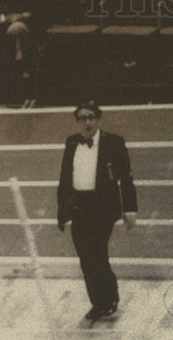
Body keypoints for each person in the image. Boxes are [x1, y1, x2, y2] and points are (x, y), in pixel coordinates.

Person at [57, 101, 138, 323]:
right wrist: (62, 212)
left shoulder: (114, 142)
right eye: (82, 118)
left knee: (97, 254)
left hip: (102, 207)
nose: (87, 122)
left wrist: (130, 209)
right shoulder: (72, 142)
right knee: (85, 258)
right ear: (77, 122)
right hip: (79, 207)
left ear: (98, 119)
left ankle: (109, 299)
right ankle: (98, 303)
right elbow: (65, 178)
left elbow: (126, 179)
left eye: (91, 117)